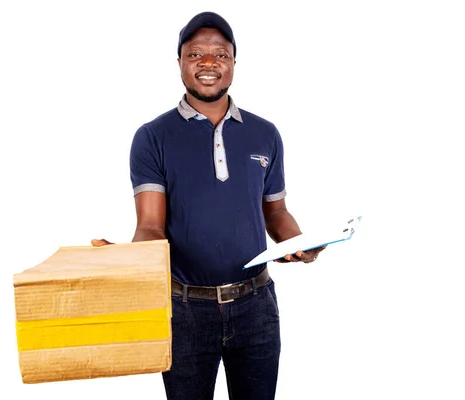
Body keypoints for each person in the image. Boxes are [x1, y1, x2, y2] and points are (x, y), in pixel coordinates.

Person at [92, 11, 325, 400]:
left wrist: (299, 244)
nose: (208, 62)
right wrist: (133, 263)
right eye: (195, 54)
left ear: (233, 62)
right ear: (180, 62)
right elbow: (150, 225)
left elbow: (277, 212)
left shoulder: (265, 133)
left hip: (257, 308)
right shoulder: (152, 137)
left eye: (220, 54)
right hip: (184, 311)